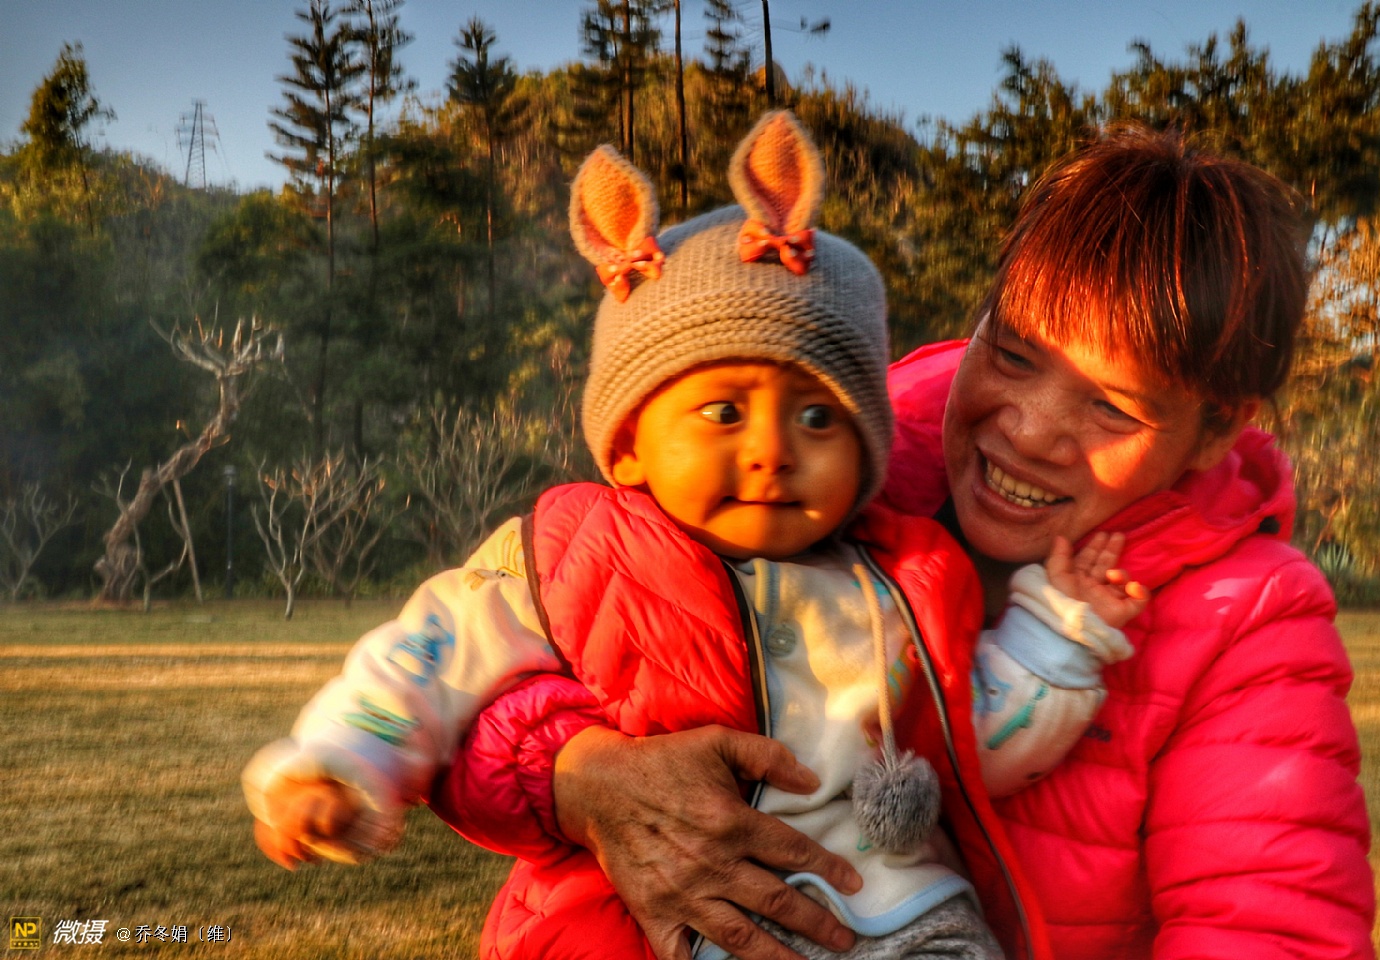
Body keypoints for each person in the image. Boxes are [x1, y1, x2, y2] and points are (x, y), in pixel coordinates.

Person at [430, 123, 1376, 960]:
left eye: (1112, 409)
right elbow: (477, 672)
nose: (1030, 430)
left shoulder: (1250, 621)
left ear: (1216, 429)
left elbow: (1273, 930)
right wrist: (578, 774)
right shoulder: (818, 457)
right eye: (1013, 354)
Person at [243, 112, 1148, 960]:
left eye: (817, 418)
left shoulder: (902, 580)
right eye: (723, 412)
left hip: (899, 915)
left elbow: (971, 734)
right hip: (656, 920)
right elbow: (421, 662)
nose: (772, 450)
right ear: (631, 442)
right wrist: (339, 763)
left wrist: (1057, 636)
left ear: (867, 453)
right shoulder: (574, 553)